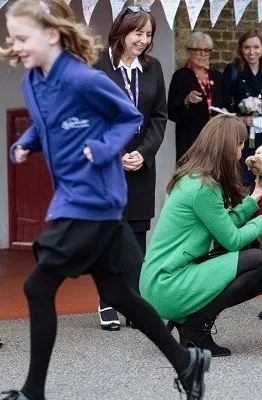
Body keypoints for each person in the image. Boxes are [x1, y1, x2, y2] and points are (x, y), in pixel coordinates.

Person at [0, 1, 209, 400]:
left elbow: (128, 117)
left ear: (51, 35)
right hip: (76, 198)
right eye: (11, 37)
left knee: (36, 286)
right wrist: (26, 144)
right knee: (123, 293)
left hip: (92, 199)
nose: (15, 45)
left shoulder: (82, 77)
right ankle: (187, 364)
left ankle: (33, 395)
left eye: (22, 37)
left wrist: (103, 147)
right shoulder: (32, 82)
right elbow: (46, 126)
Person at [139, 115, 262, 357]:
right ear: (227, 147)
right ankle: (194, 328)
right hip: (168, 284)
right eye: (240, 144)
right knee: (257, 260)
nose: (242, 151)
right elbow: (231, 240)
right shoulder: (204, 187)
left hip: (160, 280)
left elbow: (221, 225)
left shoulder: (193, 177)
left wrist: (254, 199)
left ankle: (192, 323)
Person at [93, 4, 167, 331]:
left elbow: (159, 117)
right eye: (138, 33)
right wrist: (119, 152)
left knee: (137, 232)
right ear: (122, 30)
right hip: (109, 163)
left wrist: (143, 153)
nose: (143, 40)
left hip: (141, 164)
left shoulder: (153, 68)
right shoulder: (97, 65)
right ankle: (108, 301)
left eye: (148, 34)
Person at [168, 32, 227, 161]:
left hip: (215, 136)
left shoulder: (216, 76)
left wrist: (225, 111)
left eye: (206, 50)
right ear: (188, 52)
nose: (203, 54)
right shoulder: (180, 76)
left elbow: (225, 102)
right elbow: (171, 111)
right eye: (198, 50)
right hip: (191, 138)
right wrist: (187, 100)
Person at [222, 30, 262, 188]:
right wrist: (239, 118)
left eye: (256, 47)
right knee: (243, 177)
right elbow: (224, 102)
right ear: (241, 49)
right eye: (247, 47)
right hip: (241, 135)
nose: (251, 52)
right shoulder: (233, 70)